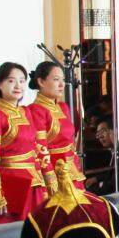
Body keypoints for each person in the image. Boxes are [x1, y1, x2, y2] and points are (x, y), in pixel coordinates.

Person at [0, 61, 49, 224]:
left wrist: (46, 184)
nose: (18, 85)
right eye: (11, 81)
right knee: (10, 233)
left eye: (22, 81)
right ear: (0, 84)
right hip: (9, 184)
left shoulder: (27, 111)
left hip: (33, 184)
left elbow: (38, 149)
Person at [24, 60, 82, 192]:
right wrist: (50, 180)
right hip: (54, 173)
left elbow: (71, 142)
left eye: (63, 80)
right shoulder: (35, 110)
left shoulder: (63, 107)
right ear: (41, 82)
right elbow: (40, 148)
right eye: (56, 79)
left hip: (72, 170)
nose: (62, 84)